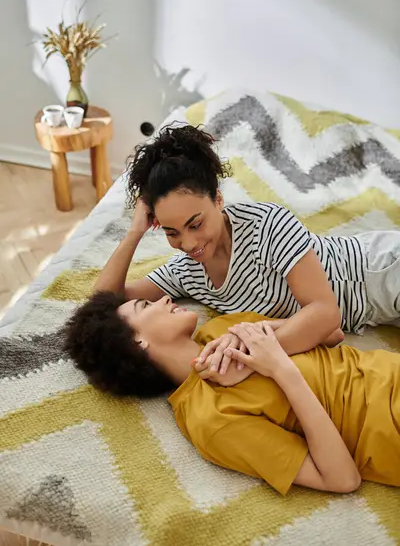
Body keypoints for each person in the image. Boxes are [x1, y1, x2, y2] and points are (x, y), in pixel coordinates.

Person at [97, 124, 400, 359]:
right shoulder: (187, 271)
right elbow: (103, 304)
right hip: (376, 312)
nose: (189, 244)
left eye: (196, 224)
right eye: (171, 232)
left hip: (378, 270)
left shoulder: (266, 225)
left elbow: (325, 313)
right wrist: (134, 233)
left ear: (218, 199)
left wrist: (243, 354)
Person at [65, 290, 400, 496]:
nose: (165, 298)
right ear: (138, 342)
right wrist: (280, 369)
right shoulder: (211, 420)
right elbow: (342, 478)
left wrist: (264, 336)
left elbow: (333, 332)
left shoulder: (221, 329)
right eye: (145, 305)